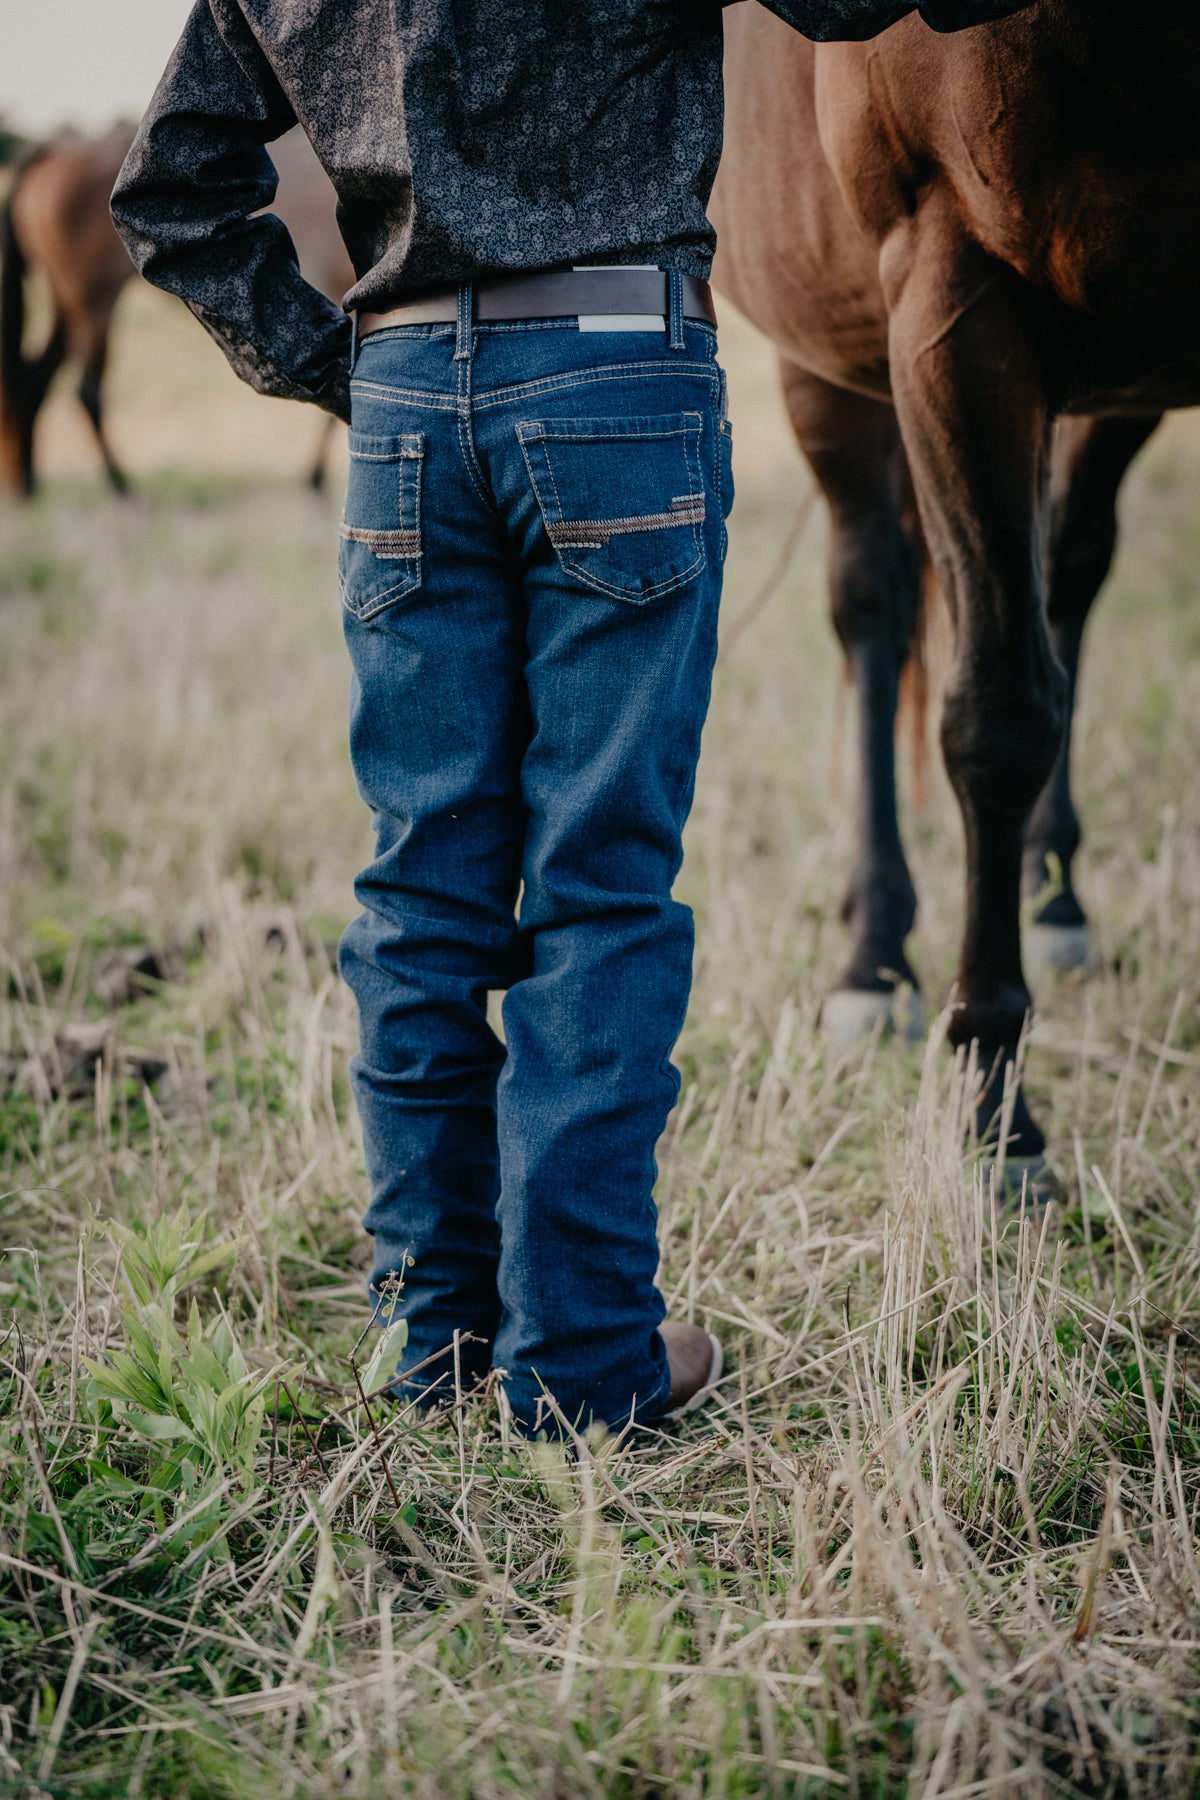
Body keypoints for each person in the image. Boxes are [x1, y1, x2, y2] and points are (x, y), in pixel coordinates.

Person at [112, 0, 1031, 1438]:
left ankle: (432, 1347)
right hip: (616, 374)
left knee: (420, 896)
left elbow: (170, 184)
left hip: (406, 397)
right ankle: (583, 1367)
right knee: (598, 889)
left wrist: (346, 370)